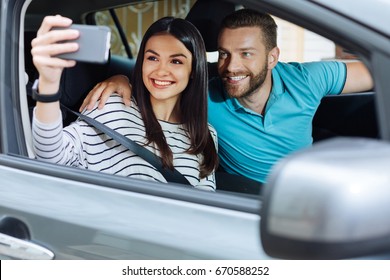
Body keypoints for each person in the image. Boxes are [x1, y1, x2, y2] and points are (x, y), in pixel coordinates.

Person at [80, 9, 373, 185]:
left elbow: (377, 69)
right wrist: (119, 78)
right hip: (244, 202)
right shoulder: (203, 92)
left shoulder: (308, 78)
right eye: (224, 54)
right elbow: (161, 78)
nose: (231, 67)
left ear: (273, 58)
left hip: (312, 192)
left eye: (246, 54)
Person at [31, 15, 218, 191]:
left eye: (176, 61)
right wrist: (49, 83)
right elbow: (52, 155)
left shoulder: (205, 135)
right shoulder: (111, 105)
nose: (161, 71)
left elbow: (205, 204)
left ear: (193, 70)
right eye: (152, 58)